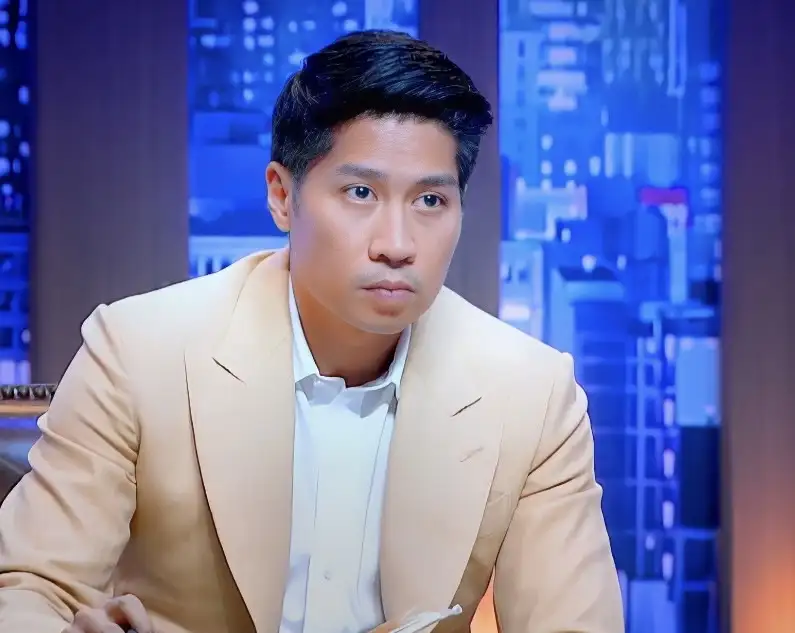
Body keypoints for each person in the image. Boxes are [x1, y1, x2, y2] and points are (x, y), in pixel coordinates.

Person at [0, 30, 623, 633]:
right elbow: (27, 588)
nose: (397, 244)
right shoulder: (138, 351)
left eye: (430, 201)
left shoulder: (533, 394)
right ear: (282, 196)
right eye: (360, 192)